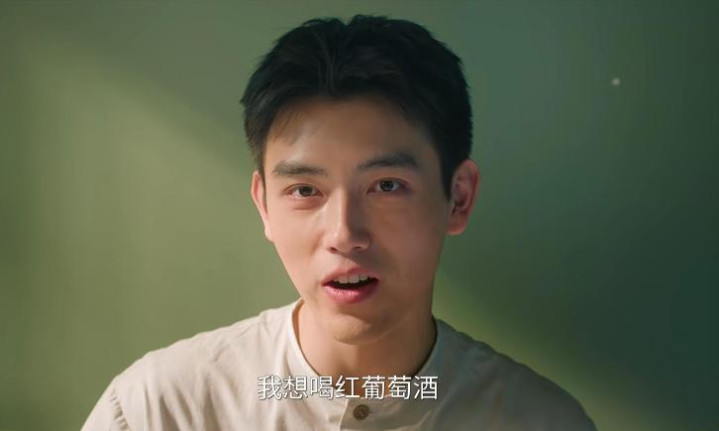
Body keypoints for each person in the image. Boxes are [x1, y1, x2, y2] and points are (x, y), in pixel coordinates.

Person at [82, 15, 596, 430]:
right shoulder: (158, 411)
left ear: (458, 197)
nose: (344, 234)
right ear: (264, 206)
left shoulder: (542, 421)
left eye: (386, 186)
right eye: (305, 191)